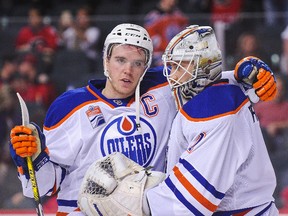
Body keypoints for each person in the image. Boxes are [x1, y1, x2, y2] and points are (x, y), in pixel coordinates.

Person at [9, 23, 276, 215]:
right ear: (106, 60)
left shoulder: (164, 88)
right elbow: (43, 186)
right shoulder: (68, 107)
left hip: (144, 209)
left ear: (147, 65)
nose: (127, 70)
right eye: (120, 60)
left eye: (137, 63)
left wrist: (246, 72)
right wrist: (29, 158)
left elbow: (202, 77)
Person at [144, 0, 189, 67]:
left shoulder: (179, 15)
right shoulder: (153, 16)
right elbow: (152, 37)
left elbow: (185, 31)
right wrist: (168, 48)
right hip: (160, 54)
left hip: (177, 51)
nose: (172, 2)